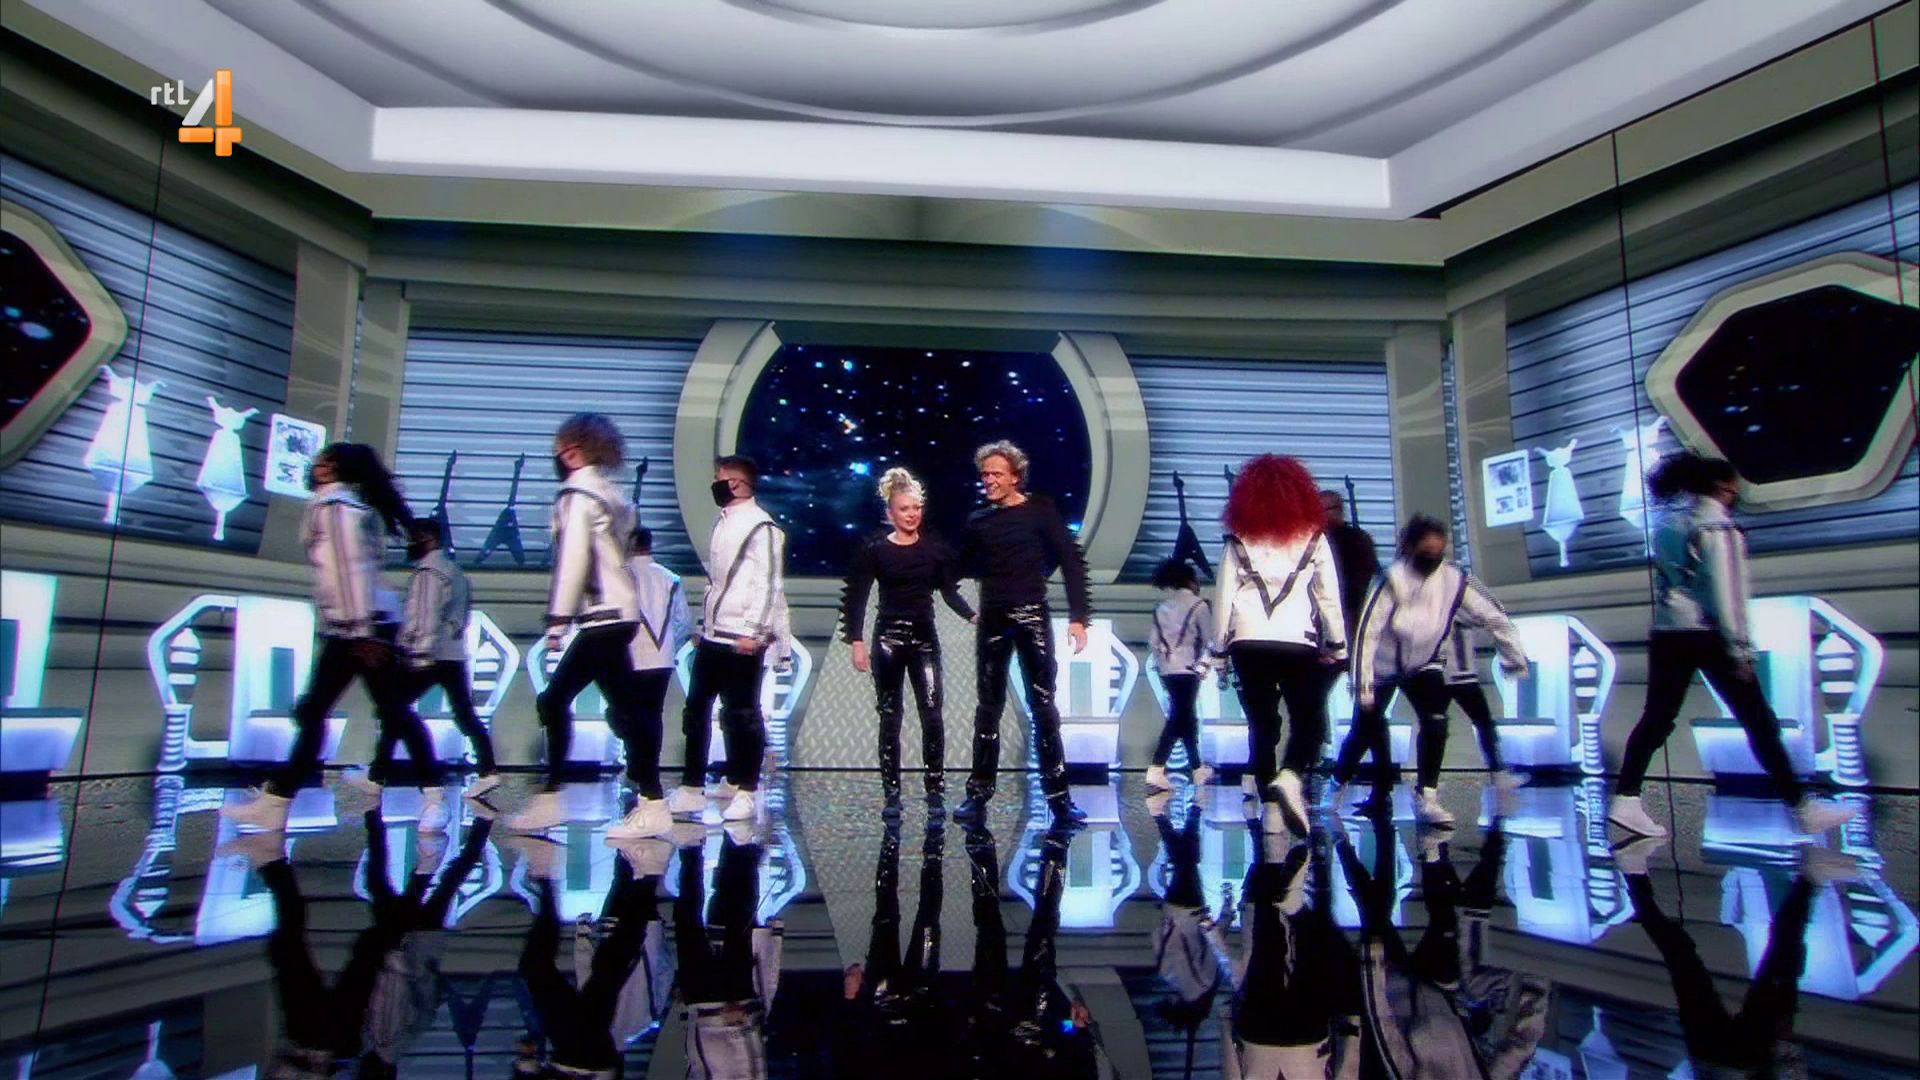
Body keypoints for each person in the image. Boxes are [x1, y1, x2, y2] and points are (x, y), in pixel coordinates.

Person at [1608, 452, 1856, 838]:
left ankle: (1626, 799)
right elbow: (1728, 595)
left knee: (1657, 718)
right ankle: (1802, 808)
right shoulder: (1719, 527)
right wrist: (1741, 650)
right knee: (1758, 721)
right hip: (1708, 635)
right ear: (1724, 486)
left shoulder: (1669, 523)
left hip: (1667, 633)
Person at [224, 443, 442, 834]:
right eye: (322, 460)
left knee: (387, 711)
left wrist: (361, 633)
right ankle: (276, 802)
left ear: (344, 470)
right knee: (326, 712)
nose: (321, 466)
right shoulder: (335, 506)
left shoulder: (336, 508)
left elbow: (349, 572)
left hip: (363, 628)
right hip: (353, 628)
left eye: (331, 462)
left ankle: (434, 798)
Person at [1334, 515, 1530, 826]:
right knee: (1363, 729)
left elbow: (1494, 616)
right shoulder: (1391, 580)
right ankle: (1337, 785)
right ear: (1411, 548)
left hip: (1423, 662)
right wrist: (1362, 684)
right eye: (1426, 552)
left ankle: (1427, 795)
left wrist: (1513, 657)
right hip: (1382, 666)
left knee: (1435, 721)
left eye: (1439, 552)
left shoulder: (1454, 580)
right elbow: (1368, 633)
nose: (1433, 559)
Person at [511, 413, 645, 833]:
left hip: (601, 616)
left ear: (573, 451)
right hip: (618, 613)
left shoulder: (576, 494)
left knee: (558, 702)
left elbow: (573, 561)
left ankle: (557, 797)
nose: (557, 455)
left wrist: (557, 620)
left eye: (561, 447)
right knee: (624, 710)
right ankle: (647, 793)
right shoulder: (612, 494)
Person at [953, 441, 1094, 828]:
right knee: (988, 708)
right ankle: (977, 797)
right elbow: (956, 567)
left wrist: (1079, 617)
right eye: (985, 474)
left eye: (996, 474)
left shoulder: (1040, 510)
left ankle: (1060, 801)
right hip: (993, 619)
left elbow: (1071, 560)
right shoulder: (979, 521)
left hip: (1032, 616)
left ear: (1015, 476)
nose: (989, 480)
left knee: (1043, 708)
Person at [1212, 454, 1347, 835]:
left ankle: (1267, 798)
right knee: (1308, 719)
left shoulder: (1238, 538)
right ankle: (1290, 776)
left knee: (1261, 721)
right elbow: (1329, 597)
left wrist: (1219, 651)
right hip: (1296, 640)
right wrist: (1338, 645)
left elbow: (1223, 597)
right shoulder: (1314, 537)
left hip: (1247, 640)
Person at [841, 467, 977, 814]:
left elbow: (949, 592)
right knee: (890, 716)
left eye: (916, 508)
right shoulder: (875, 550)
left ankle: (935, 787)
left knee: (932, 713)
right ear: (891, 513)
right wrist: (856, 641)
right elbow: (857, 597)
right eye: (905, 509)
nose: (912, 514)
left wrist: (973, 616)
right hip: (887, 640)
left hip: (924, 639)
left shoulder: (934, 550)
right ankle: (891, 790)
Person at [669, 455, 792, 825]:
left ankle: (747, 790)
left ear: (737, 484)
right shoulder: (724, 522)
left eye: (720, 479)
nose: (715, 485)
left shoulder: (762, 527)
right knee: (697, 708)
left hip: (743, 637)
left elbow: (769, 584)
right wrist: (704, 625)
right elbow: (718, 583)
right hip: (714, 635)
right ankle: (693, 786)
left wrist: (755, 632)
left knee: (742, 714)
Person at [358, 519, 498, 808]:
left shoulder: (428, 572)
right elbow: (458, 617)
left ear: (431, 538)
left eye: (415, 537)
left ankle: (380, 777)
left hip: (429, 655)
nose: (410, 543)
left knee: (393, 708)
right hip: (452, 655)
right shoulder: (455, 572)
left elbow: (424, 617)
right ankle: (488, 770)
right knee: (462, 714)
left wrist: (414, 652)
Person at [514, 833, 671, 1080]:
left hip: (582, 1057)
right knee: (594, 973)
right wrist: (526, 1064)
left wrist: (527, 1064)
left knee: (605, 974)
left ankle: (649, 874)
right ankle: (546, 875)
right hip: (580, 1059)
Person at [605, 525, 694, 841]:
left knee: (626, 716)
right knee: (651, 718)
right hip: (662, 660)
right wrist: (668, 645)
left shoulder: (621, 575)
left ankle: (638, 771)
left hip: (629, 658)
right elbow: (684, 622)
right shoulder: (671, 578)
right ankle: (644, 771)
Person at [1146, 558, 1214, 792]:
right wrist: (1204, 667)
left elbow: (1154, 643)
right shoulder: (1199, 606)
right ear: (1191, 581)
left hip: (1167, 670)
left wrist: (1163, 664)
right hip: (1189, 669)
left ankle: (1197, 768)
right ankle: (1157, 767)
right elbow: (1210, 640)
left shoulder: (1161, 608)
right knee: (1179, 718)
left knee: (1186, 717)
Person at [1320, 488, 1380, 643]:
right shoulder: (1313, 541)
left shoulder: (1358, 540)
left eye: (1325, 509)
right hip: (1321, 616)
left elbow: (1370, 577)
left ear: (1340, 510)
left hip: (1353, 613)